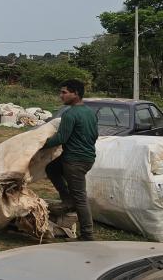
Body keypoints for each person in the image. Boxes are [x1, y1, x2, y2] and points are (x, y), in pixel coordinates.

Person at [42, 79, 98, 241]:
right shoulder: (89, 112)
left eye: (64, 92)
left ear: (76, 93)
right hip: (87, 159)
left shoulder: (70, 114)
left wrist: (40, 145)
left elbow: (61, 138)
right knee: (52, 168)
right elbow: (95, 135)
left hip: (75, 161)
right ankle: (67, 200)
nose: (61, 96)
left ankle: (87, 234)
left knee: (80, 197)